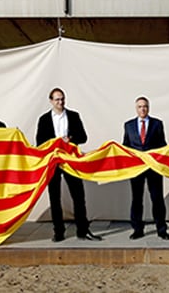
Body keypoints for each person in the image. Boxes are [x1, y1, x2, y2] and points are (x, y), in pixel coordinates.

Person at [35, 87, 102, 242]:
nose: (60, 102)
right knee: (54, 197)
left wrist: (69, 138)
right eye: (57, 99)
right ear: (51, 101)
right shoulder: (44, 119)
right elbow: (40, 142)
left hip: (71, 161)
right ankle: (58, 232)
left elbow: (83, 136)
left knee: (78, 195)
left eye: (62, 98)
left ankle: (82, 230)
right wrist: (55, 142)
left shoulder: (73, 115)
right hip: (53, 162)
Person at [122, 96, 169, 240]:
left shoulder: (157, 124)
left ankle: (161, 229)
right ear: (136, 108)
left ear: (148, 108)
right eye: (140, 107)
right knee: (137, 199)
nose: (142, 109)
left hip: (153, 168)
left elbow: (162, 145)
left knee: (157, 199)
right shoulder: (128, 125)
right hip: (136, 168)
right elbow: (126, 145)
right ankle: (137, 229)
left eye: (145, 106)